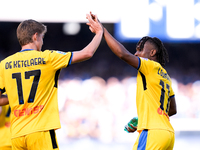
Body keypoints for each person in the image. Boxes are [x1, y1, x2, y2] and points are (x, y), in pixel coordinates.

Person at [0, 12, 103, 150]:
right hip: (40, 131)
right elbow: (87, 53)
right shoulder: (48, 58)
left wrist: (14, 97)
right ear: (35, 36)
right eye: (42, 37)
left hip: (16, 134)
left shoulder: (4, 64)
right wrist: (99, 33)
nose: (42, 42)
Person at [87, 12, 177, 150]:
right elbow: (172, 109)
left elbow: (123, 54)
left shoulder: (149, 66)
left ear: (152, 53)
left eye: (140, 50)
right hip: (168, 134)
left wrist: (102, 30)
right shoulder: (165, 76)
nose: (136, 54)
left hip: (152, 132)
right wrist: (143, 118)